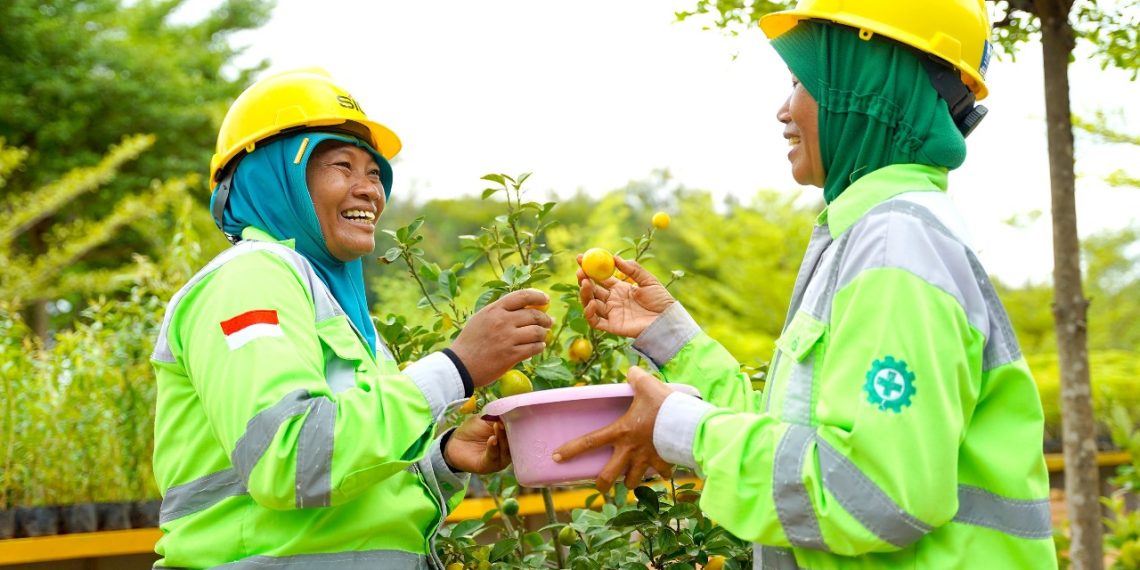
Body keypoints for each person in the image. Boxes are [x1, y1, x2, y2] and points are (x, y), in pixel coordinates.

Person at [553, 1, 1056, 568]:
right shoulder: (870, 234)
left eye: (800, 81)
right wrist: (672, 339)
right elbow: (791, 437)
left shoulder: (895, 245)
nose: (783, 111)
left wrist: (680, 427)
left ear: (864, 86)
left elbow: (870, 492)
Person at [150, 68, 551, 569]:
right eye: (343, 166)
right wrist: (457, 366)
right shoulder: (249, 279)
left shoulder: (334, 309)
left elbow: (348, 483)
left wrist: (443, 459)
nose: (370, 190)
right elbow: (289, 460)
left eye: (374, 173)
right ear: (276, 177)